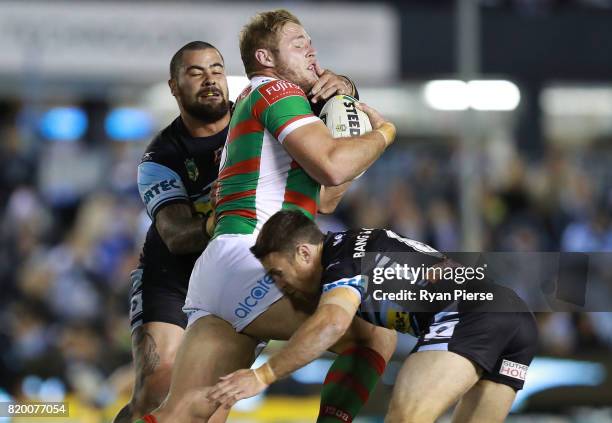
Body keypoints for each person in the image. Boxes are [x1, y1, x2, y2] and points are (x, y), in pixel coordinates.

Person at [145, 9, 398, 423]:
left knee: (189, 413)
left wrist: (344, 109)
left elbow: (328, 197)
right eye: (298, 44)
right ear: (264, 57)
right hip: (257, 257)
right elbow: (333, 165)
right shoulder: (275, 90)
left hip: (221, 270)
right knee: (373, 334)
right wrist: (383, 134)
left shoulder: (261, 100)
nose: (312, 51)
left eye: (311, 43)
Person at [209, 210, 539, 423]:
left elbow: (331, 324)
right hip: (515, 319)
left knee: (405, 420)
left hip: (470, 314)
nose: (280, 285)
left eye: (279, 274)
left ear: (305, 253)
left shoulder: (341, 262)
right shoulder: (358, 248)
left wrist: (262, 375)